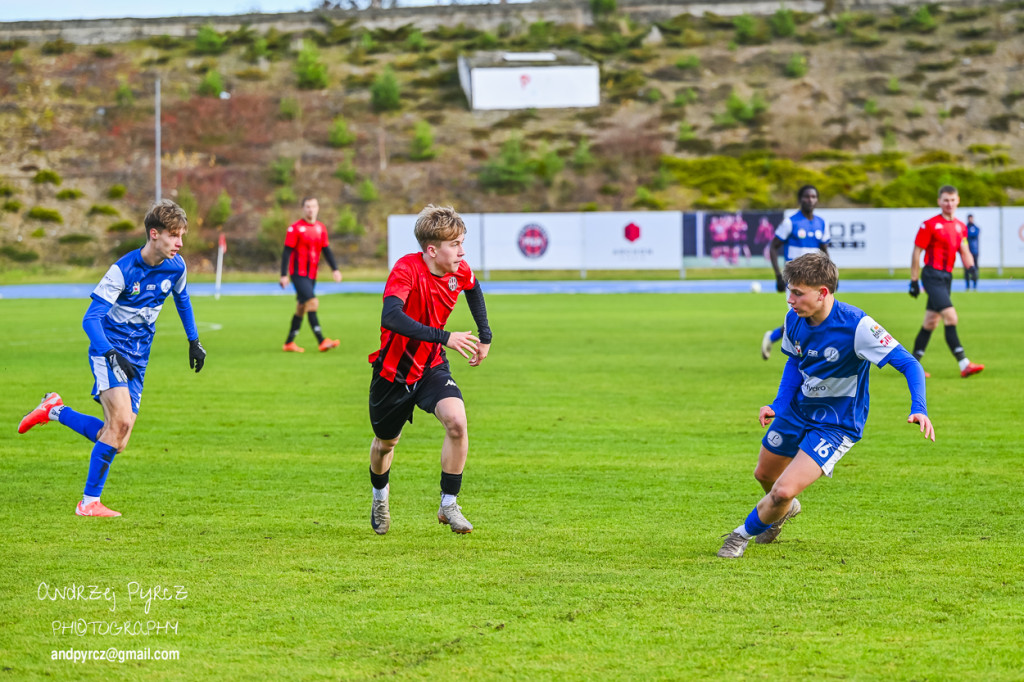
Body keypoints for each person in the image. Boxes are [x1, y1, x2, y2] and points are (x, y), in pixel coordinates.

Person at [718, 252, 933, 558]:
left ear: (822, 293)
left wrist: (919, 408)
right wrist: (778, 404)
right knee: (764, 475)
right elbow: (795, 363)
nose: (790, 300)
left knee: (783, 490)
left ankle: (739, 537)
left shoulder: (858, 326)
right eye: (789, 291)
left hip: (836, 423)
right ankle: (782, 509)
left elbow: (910, 364)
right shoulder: (793, 319)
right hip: (797, 410)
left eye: (797, 293)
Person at [17, 199, 207, 517]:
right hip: (109, 350)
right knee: (119, 424)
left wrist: (194, 341)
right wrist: (110, 352)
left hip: (139, 358)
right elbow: (90, 319)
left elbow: (182, 299)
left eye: (181, 236)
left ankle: (55, 410)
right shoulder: (123, 270)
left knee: (118, 438)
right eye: (174, 236)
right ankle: (88, 503)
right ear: (154, 234)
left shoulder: (177, 267)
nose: (180, 243)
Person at [366, 205, 492, 536]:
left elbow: (474, 289)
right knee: (385, 445)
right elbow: (391, 317)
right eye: (455, 244)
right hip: (392, 373)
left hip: (431, 366)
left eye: (463, 243)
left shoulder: (459, 270)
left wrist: (486, 336)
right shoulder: (406, 269)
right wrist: (445, 336)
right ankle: (380, 497)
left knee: (457, 422)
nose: (462, 252)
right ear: (432, 250)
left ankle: (449, 504)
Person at [909, 185, 984, 378]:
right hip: (932, 275)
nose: (949, 204)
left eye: (952, 200)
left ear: (958, 201)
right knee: (951, 317)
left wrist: (971, 267)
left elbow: (964, 250)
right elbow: (917, 251)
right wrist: (914, 280)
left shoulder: (961, 227)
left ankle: (912, 365)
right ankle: (964, 364)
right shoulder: (929, 225)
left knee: (930, 322)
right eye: (945, 200)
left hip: (946, 277)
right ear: (939, 202)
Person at [761, 185, 829, 360]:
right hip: (795, 280)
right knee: (800, 318)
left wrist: (830, 275)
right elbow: (773, 247)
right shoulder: (790, 222)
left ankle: (773, 337)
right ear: (800, 199)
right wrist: (778, 276)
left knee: (815, 317)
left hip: (815, 280)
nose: (810, 200)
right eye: (806, 196)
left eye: (813, 196)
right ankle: (803, 358)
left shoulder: (821, 223)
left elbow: (824, 251)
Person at [279, 196, 343, 353]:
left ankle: (289, 343)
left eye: (313, 206)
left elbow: (326, 250)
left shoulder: (321, 228)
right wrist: (283, 275)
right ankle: (322, 341)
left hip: (312, 274)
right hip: (298, 274)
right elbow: (286, 252)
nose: (310, 209)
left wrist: (335, 269)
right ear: (303, 209)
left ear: (318, 208)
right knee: (312, 302)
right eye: (308, 206)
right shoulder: (295, 228)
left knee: (301, 307)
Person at [963, 213, 980, 290]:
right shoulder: (964, 228)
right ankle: (967, 286)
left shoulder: (976, 228)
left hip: (974, 251)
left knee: (975, 269)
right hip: (967, 252)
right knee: (966, 269)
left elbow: (974, 234)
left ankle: (975, 285)